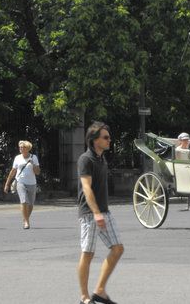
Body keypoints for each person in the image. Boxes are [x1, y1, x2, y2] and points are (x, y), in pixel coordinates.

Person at [77, 122, 124, 304]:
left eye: (109, 137)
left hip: (104, 211)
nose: (109, 140)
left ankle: (100, 290)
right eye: (105, 137)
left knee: (118, 249)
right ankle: (84, 297)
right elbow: (86, 188)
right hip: (90, 213)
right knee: (88, 253)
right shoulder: (86, 159)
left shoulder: (101, 158)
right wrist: (96, 213)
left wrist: (102, 212)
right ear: (94, 140)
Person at [3, 140, 41, 229]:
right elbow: (12, 172)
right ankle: (27, 222)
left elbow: (38, 172)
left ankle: (26, 218)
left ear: (27, 148)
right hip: (20, 182)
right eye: (20, 147)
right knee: (23, 201)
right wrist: (7, 184)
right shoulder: (17, 158)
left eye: (23, 147)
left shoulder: (34, 157)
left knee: (30, 204)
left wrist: (33, 164)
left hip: (32, 183)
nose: (21, 148)